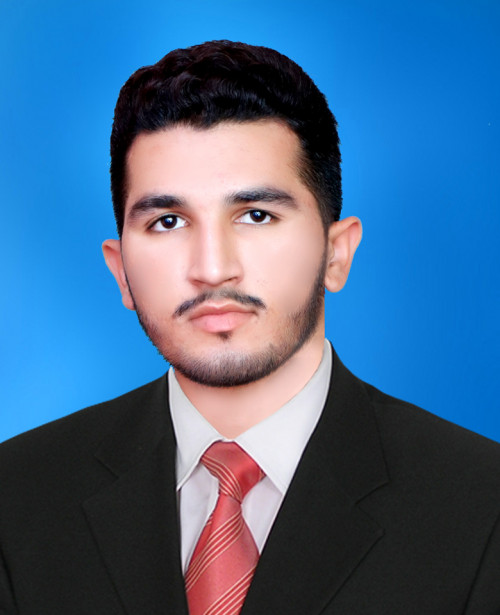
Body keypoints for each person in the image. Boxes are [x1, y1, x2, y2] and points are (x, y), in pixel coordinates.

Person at [0, 40, 499, 615]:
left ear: (337, 253)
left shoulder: (482, 507)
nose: (212, 268)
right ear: (121, 272)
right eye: (168, 221)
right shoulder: (17, 499)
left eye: (257, 215)